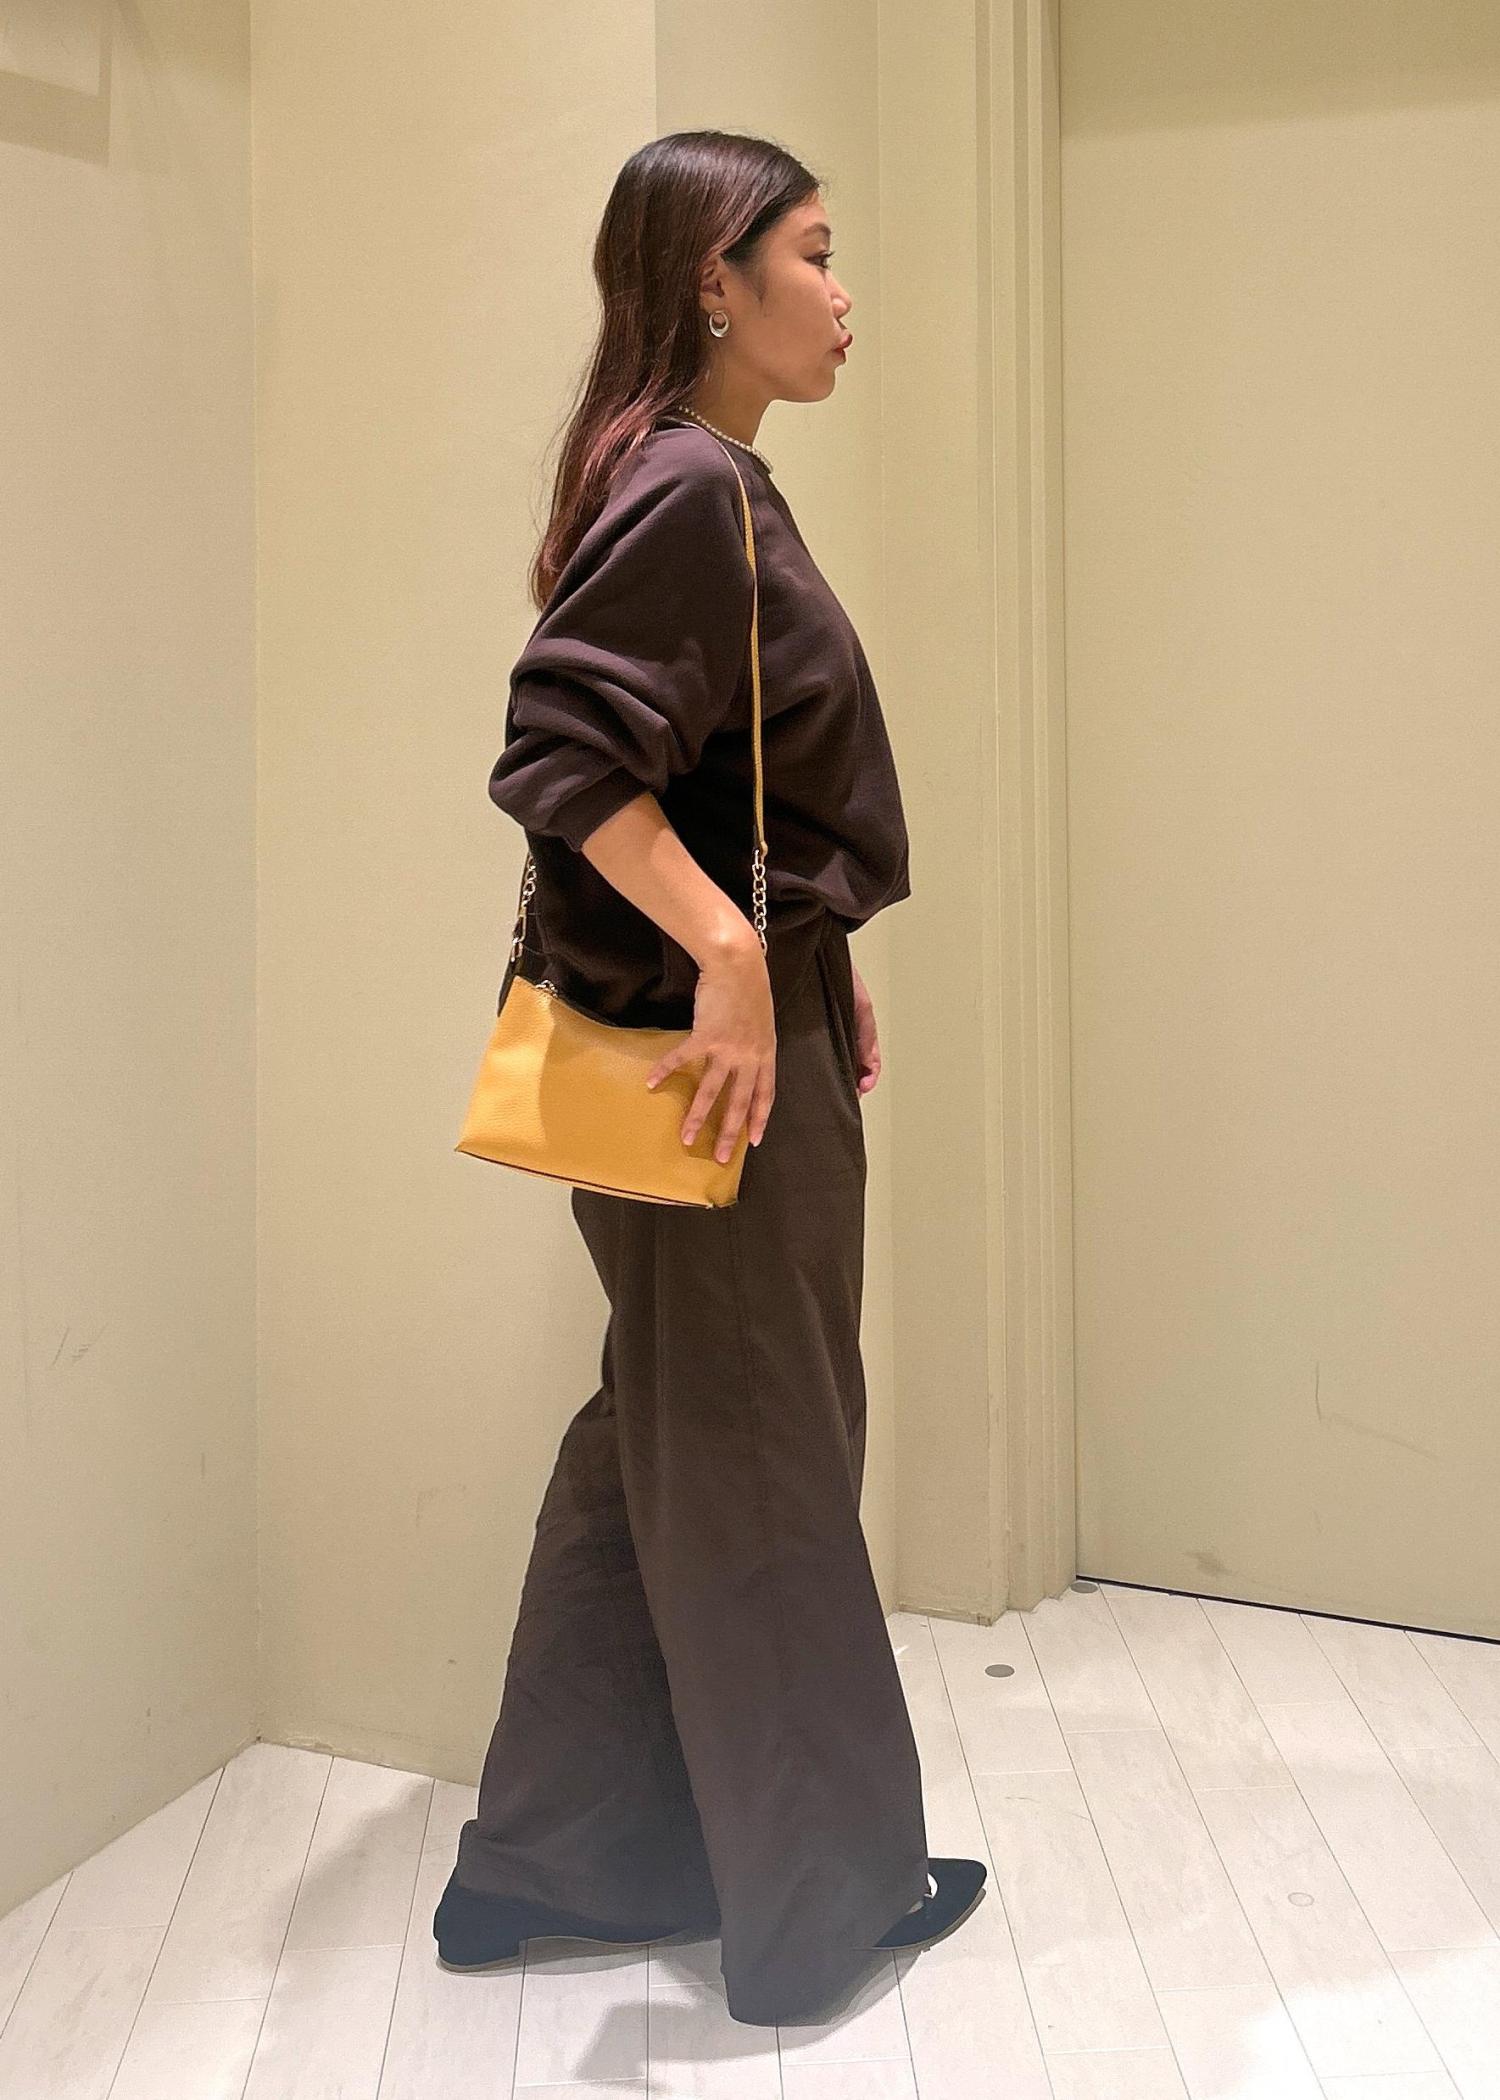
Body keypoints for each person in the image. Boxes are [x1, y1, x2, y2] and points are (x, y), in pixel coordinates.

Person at [433, 127, 985, 2029]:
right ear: (713, 282)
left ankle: (552, 1858)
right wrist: (743, 962)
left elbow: (727, 774)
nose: (843, 292)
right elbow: (562, 752)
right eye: (811, 253)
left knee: (662, 1434)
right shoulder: (689, 484)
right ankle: (818, 1907)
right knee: (756, 1455)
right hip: (713, 1065)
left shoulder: (698, 477)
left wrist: (810, 955)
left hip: (730, 1040)